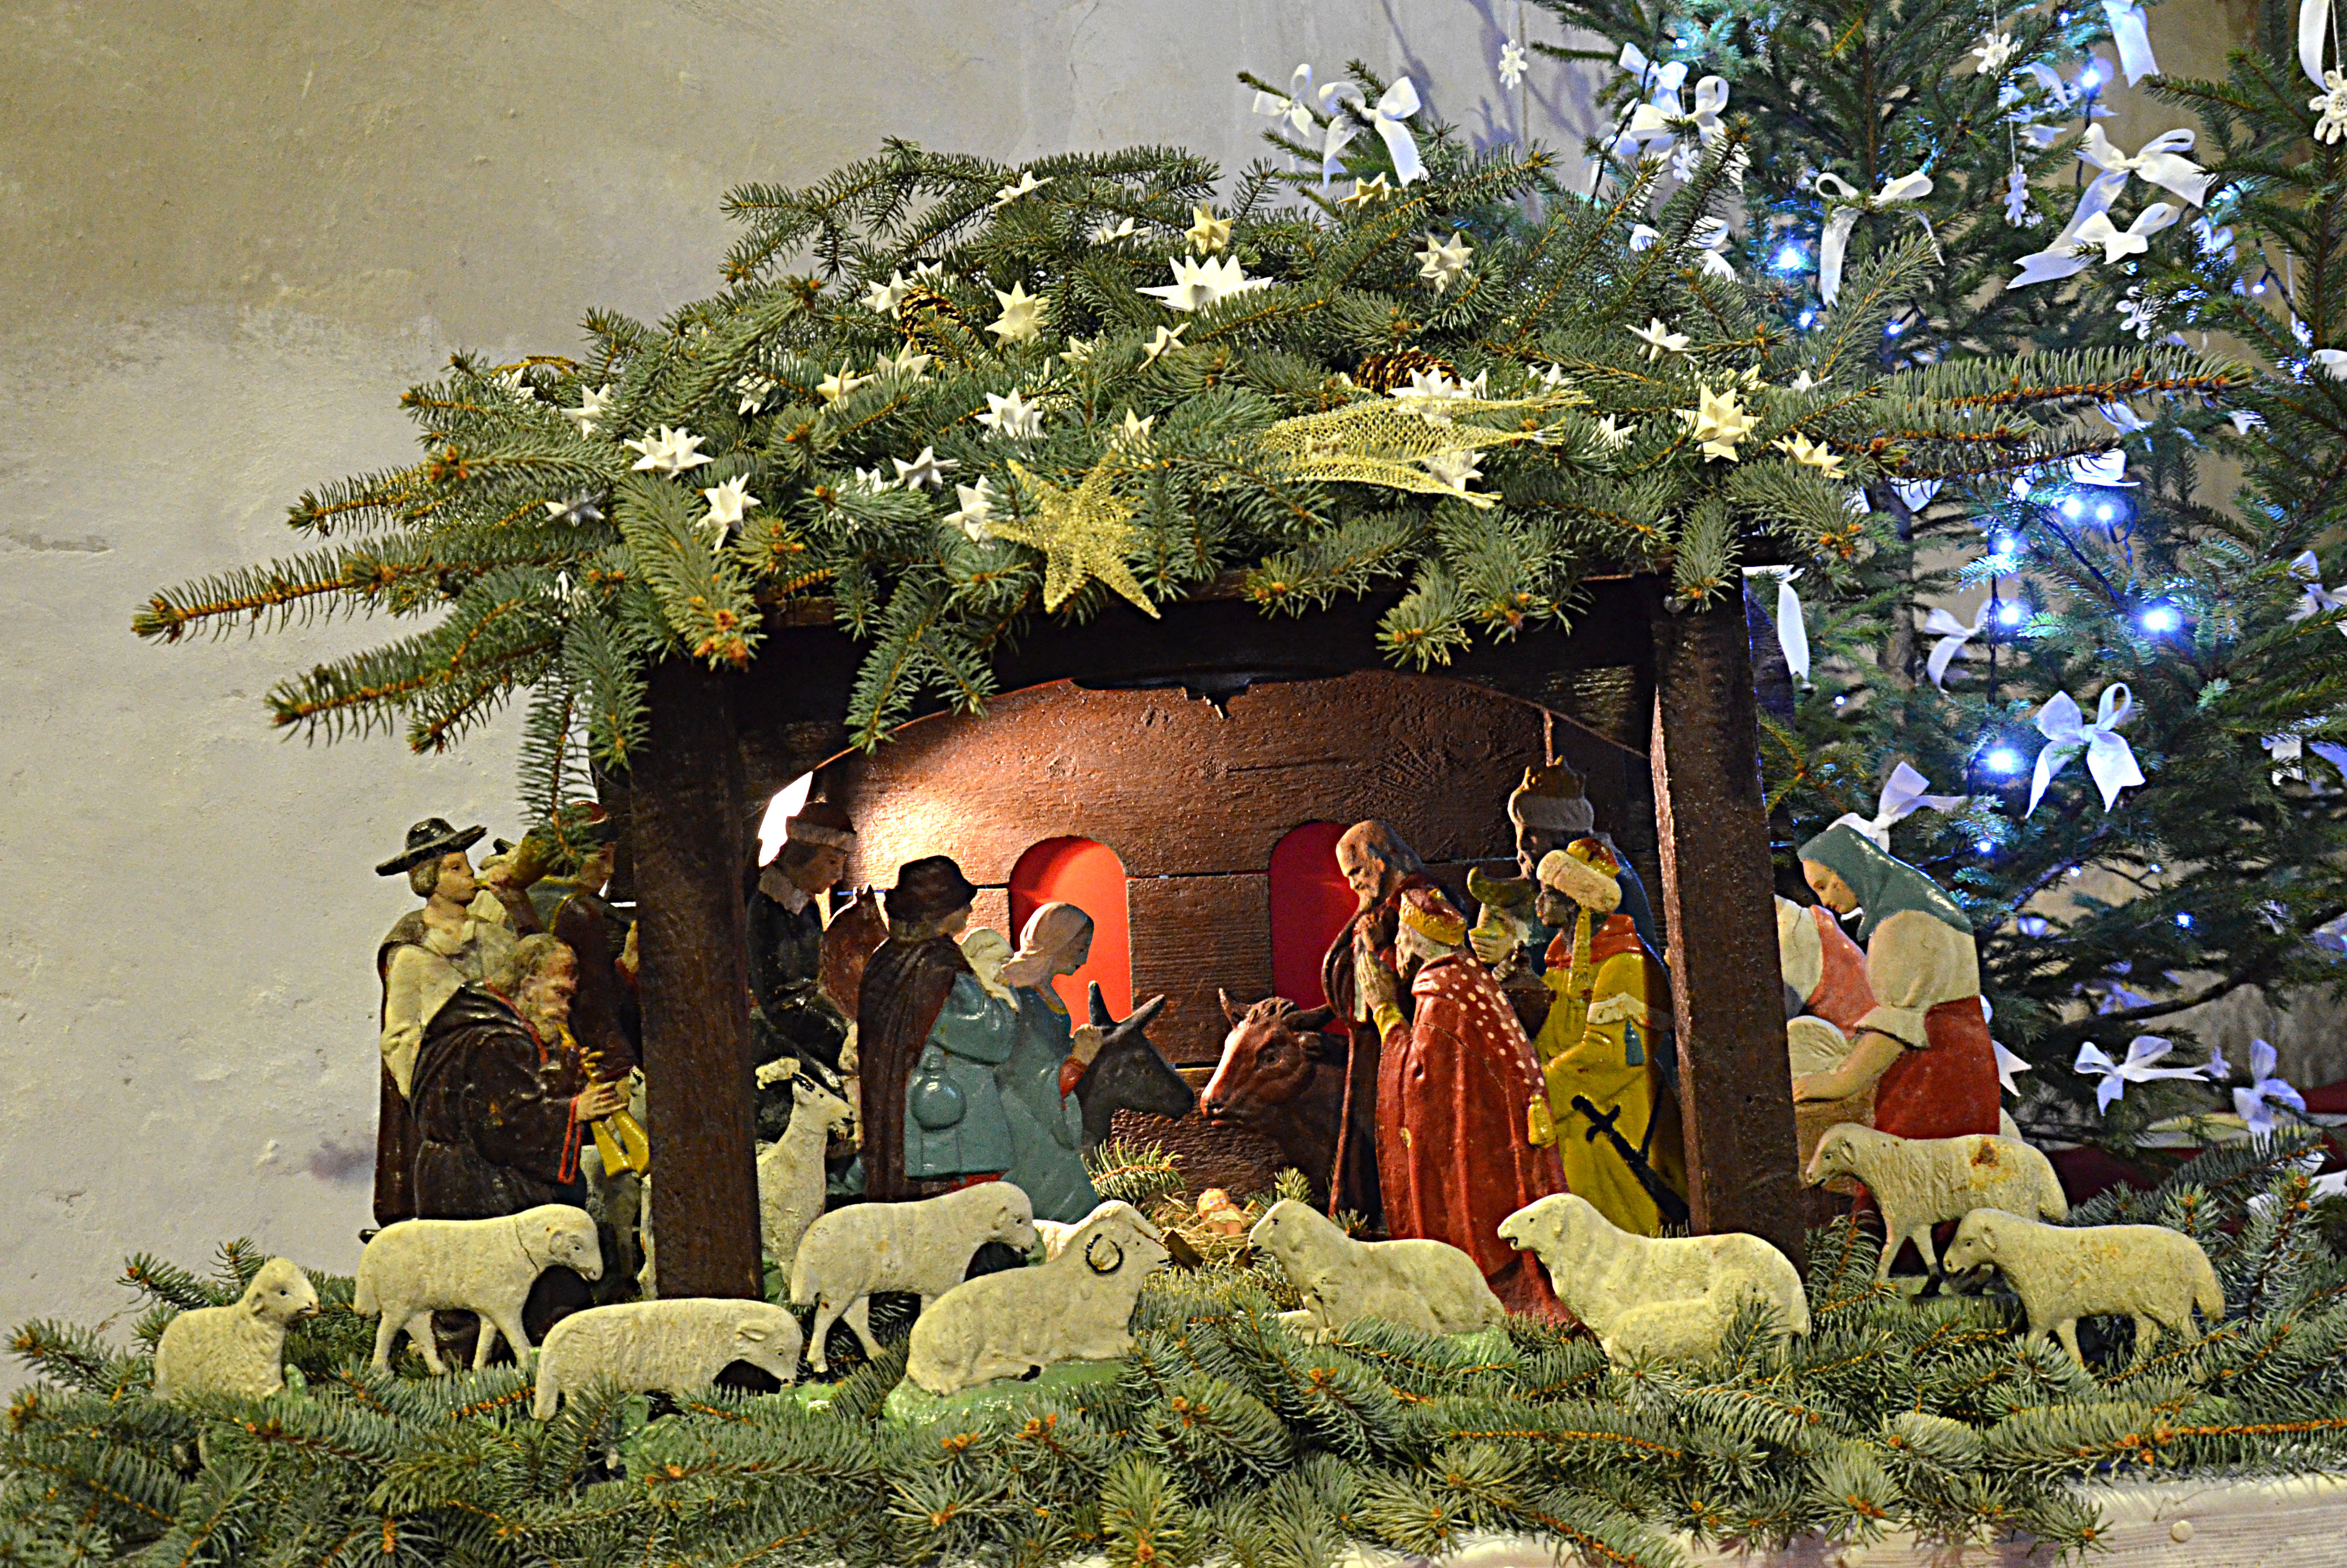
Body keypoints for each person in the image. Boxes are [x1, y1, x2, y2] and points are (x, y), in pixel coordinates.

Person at [1358, 885, 1565, 1315]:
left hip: (1482, 1155)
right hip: (1496, 1141)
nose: (1398, 949)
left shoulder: (1442, 995)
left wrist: (1384, 1011)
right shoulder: (1466, 980)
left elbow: (1419, 1084)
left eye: (1401, 937)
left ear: (1416, 940)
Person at [1789, 825, 2000, 1142]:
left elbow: (1900, 1022)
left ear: (1847, 868)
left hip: (1934, 1069)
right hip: (1961, 1055)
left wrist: (1840, 1081)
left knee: (1910, 1164)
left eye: (1824, 886)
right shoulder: (1922, 905)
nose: (1824, 899)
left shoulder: (1903, 923)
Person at [372, 818, 524, 1228]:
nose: (470, 874)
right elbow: (401, 1036)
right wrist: (429, 1100)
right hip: (448, 1101)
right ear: (429, 880)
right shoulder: (412, 950)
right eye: (455, 868)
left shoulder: (493, 938)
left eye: (466, 864)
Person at [410, 934, 628, 1218]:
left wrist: (565, 1077)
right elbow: (508, 1128)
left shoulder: (475, 1011)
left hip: (461, 1176)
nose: (565, 1009)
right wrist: (577, 1110)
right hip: (478, 1185)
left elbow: (507, 1096)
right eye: (560, 994)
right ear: (527, 987)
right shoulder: (497, 1039)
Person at [1529, 840, 1685, 1237]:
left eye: (1550, 894)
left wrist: (1543, 1085)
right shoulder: (1563, 960)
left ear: (1577, 903)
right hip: (1573, 1105)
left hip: (1614, 1112)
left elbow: (1615, 1053)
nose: (1539, 902)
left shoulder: (1624, 962)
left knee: (1619, 1222)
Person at [854, 856, 1017, 1199]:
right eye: (962, 903)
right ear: (940, 910)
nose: (969, 911)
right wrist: (1005, 994)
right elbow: (994, 1037)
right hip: (931, 1135)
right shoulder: (938, 966)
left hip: (891, 1115)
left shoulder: (885, 958)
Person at [989, 903, 1106, 1222]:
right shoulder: (1023, 998)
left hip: (1039, 1109)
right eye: (1080, 949)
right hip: (1021, 1117)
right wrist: (1079, 1059)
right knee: (1067, 1192)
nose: (1084, 959)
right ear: (1056, 942)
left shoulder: (1041, 992)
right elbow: (1027, 1074)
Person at [748, 801, 857, 1077]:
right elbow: (784, 1000)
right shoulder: (769, 909)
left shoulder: (801, 905)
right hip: (779, 1047)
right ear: (801, 855)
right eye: (831, 862)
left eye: (842, 864)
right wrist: (842, 1032)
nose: (838, 875)